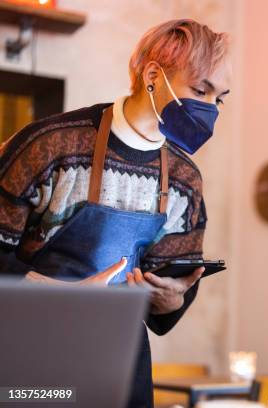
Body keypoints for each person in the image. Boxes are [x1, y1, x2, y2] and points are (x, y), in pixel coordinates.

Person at [0, 19, 231, 408]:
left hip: (121, 367)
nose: (210, 109)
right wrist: (61, 294)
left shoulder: (185, 180)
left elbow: (167, 301)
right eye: (200, 90)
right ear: (153, 75)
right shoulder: (51, 145)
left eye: (219, 98)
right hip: (31, 356)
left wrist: (171, 298)